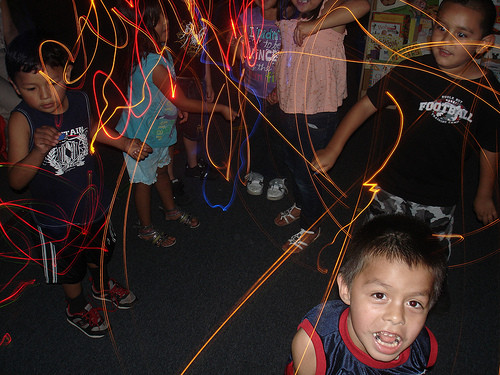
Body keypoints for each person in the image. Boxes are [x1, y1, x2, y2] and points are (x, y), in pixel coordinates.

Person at [313, 0, 499, 256]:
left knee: (426, 260)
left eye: (462, 34)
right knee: (375, 250)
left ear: (484, 43)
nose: (446, 39)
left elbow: (490, 146)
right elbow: (366, 105)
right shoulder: (413, 70)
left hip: (439, 197)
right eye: (441, 27)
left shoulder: (488, 92)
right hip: (392, 183)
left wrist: (484, 193)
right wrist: (333, 148)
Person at [6, 32, 140, 338]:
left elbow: (94, 130)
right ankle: (76, 306)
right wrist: (37, 151)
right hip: (56, 217)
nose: (45, 95)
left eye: (53, 83)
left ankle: (102, 284)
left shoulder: (79, 100)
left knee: (101, 251)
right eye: (31, 88)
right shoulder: (22, 120)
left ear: (67, 72)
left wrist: (125, 143)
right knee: (70, 267)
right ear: (15, 87)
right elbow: (15, 180)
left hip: (93, 203)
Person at [114, 0, 235, 248]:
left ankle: (170, 210)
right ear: (148, 26)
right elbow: (179, 97)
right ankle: (146, 228)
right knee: (143, 182)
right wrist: (219, 108)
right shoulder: (151, 64)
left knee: (161, 172)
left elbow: (169, 92)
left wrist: (175, 108)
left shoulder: (164, 54)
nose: (167, 23)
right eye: (160, 19)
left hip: (159, 130)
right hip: (140, 136)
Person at [286, 214, 447, 374]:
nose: (396, 317)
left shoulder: (423, 349)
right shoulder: (314, 347)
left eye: (414, 303)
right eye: (379, 295)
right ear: (346, 289)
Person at [274, 0, 370, 252]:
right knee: (292, 163)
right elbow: (289, 54)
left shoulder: (333, 9)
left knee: (309, 174)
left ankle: (311, 226)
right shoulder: (291, 12)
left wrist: (314, 25)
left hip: (317, 110)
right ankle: (301, 205)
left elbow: (363, 5)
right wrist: (278, 84)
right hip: (289, 104)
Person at [232, 0, 289, 201]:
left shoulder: (290, 18)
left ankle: (277, 176)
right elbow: (236, 42)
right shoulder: (247, 17)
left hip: (280, 92)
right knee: (254, 134)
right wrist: (238, 48)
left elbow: (296, 56)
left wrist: (282, 89)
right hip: (252, 89)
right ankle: (255, 170)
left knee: (279, 136)